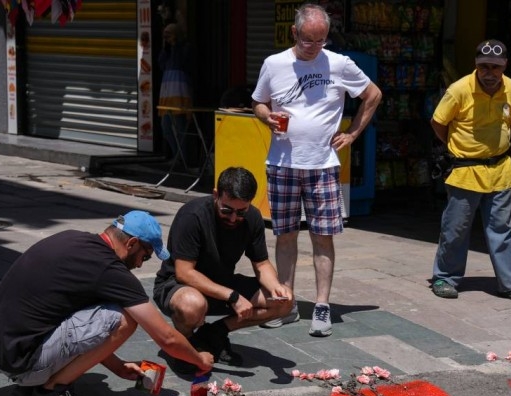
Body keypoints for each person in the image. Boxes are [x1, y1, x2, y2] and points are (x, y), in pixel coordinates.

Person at [0, 211, 214, 396]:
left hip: (0, 351)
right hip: (21, 362)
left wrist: (117, 366)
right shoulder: (108, 269)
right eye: (145, 255)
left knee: (98, 309)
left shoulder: (73, 239)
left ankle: (42, 379)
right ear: (131, 244)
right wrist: (199, 359)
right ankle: (50, 393)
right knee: (124, 319)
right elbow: (167, 338)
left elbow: (72, 321)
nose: (141, 264)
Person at [251, 3, 382, 337]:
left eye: (321, 41)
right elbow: (259, 102)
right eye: (308, 40)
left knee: (322, 238)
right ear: (294, 33)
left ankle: (322, 306)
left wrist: (353, 133)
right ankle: (287, 302)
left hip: (322, 165)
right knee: (285, 236)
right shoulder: (274, 63)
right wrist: (266, 117)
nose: (314, 47)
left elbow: (373, 94)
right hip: (282, 163)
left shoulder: (339, 64)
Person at [153, 167, 294, 366]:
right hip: (176, 286)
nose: (233, 218)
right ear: (216, 195)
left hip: (222, 284)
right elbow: (184, 273)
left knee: (284, 302)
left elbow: (261, 263)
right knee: (192, 304)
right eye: (227, 210)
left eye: (241, 212)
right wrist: (233, 296)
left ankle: (215, 333)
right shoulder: (192, 215)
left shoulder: (252, 218)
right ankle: (183, 346)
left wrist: (276, 287)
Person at [429, 39, 511, 303]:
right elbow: (438, 122)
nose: (490, 73)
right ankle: (444, 277)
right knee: (455, 229)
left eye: (495, 68)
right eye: (484, 67)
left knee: (501, 230)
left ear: (504, 66)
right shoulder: (459, 89)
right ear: (476, 66)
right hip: (465, 171)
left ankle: (509, 284)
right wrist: (455, 148)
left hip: (500, 171)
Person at [158, 21, 194, 166]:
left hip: (180, 93)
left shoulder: (185, 48)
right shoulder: (167, 50)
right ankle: (177, 155)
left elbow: (181, 62)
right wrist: (166, 47)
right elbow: (161, 64)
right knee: (166, 127)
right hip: (167, 93)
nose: (166, 37)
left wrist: (175, 45)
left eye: (169, 34)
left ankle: (184, 160)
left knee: (180, 128)